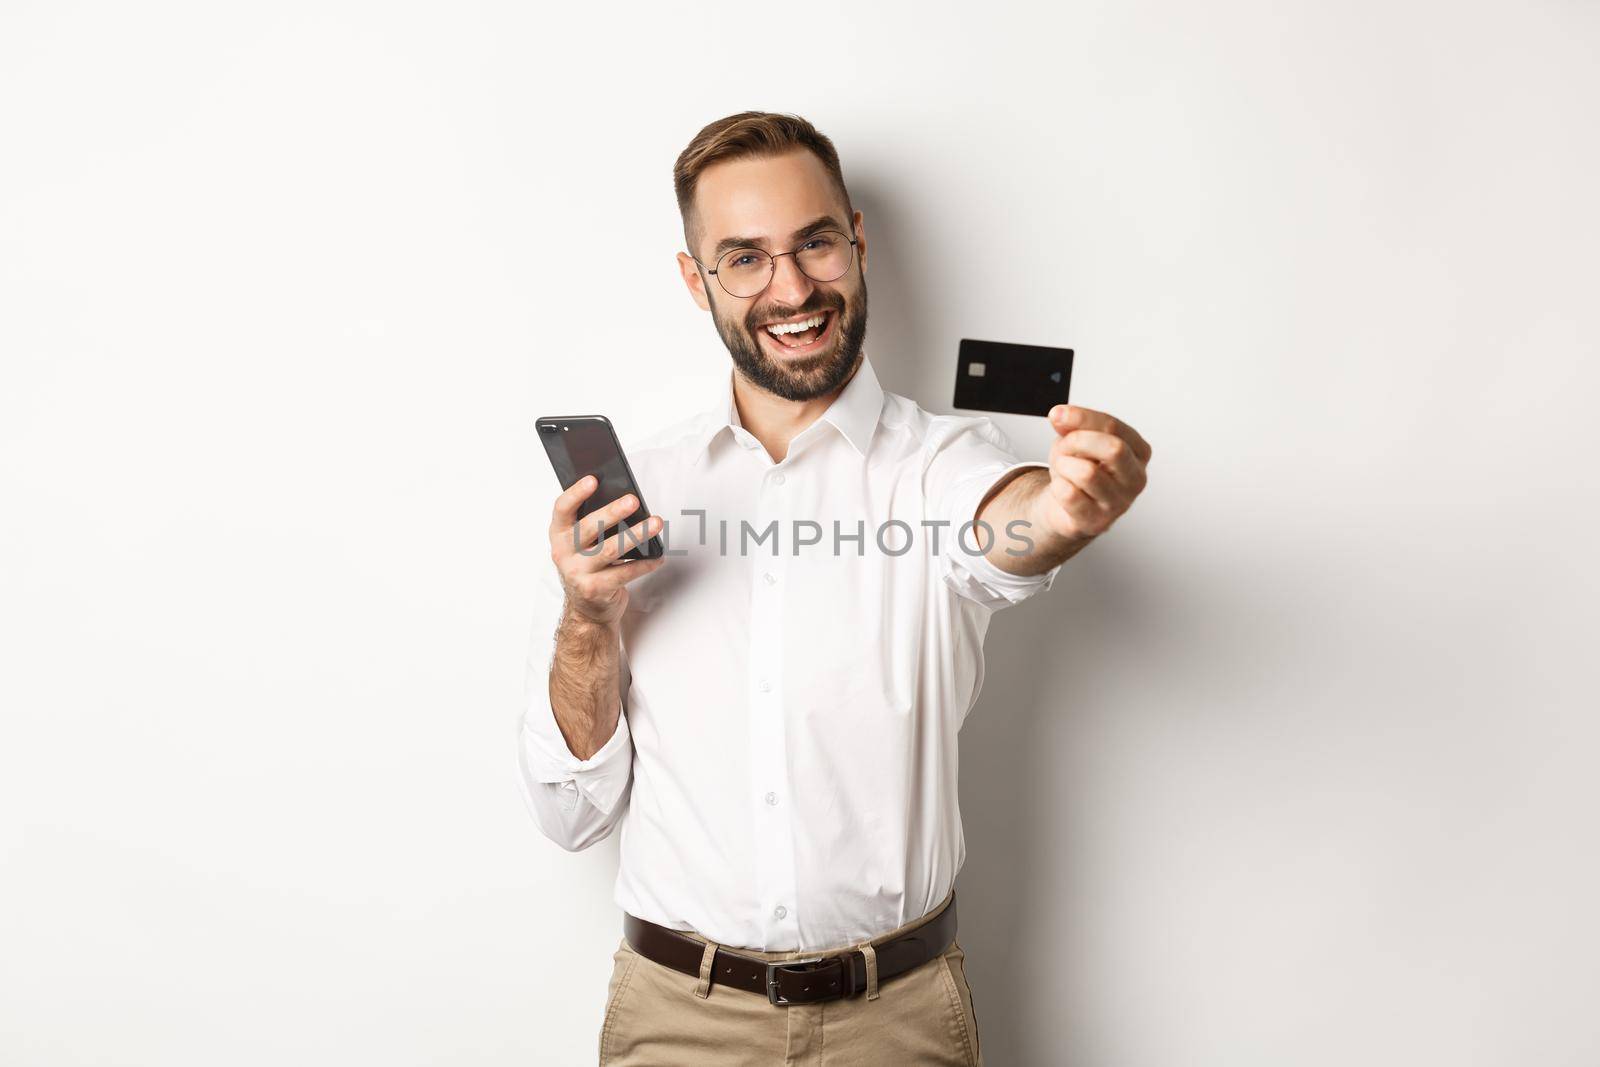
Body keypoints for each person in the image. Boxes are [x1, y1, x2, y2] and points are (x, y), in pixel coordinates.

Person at [517, 111, 1152, 1066]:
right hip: (677, 1022)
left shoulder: (943, 464)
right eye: (745, 258)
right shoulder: (631, 498)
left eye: (814, 244)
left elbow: (1000, 532)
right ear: (698, 281)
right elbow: (572, 814)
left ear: (855, 242)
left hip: (894, 1023)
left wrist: (1062, 513)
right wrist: (586, 619)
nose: (792, 288)